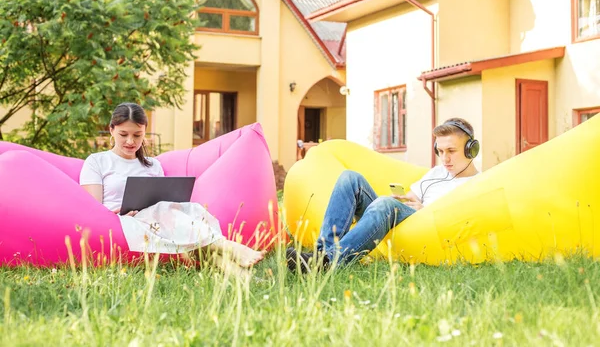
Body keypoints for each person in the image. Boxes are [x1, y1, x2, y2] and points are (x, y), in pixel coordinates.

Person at [80, 102, 265, 277]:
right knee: (165, 213)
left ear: (145, 131)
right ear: (111, 129)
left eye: (137, 135)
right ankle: (229, 247)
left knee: (189, 211)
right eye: (123, 134)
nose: (130, 141)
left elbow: (162, 199)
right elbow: (92, 209)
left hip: (157, 222)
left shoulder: (153, 165)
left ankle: (241, 276)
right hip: (120, 223)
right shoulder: (97, 161)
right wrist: (117, 216)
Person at [286, 118, 481, 273]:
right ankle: (320, 255)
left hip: (428, 230)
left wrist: (425, 211)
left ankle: (332, 261)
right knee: (349, 178)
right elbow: (410, 197)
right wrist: (404, 199)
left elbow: (458, 221)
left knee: (386, 204)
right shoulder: (436, 173)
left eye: (451, 151)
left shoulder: (476, 184)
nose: (445, 158)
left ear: (470, 149)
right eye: (440, 151)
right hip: (403, 223)